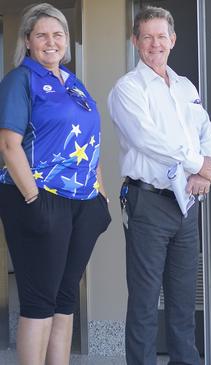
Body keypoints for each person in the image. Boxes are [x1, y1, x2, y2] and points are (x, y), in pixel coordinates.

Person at [107, 6, 211, 365]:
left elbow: (207, 133)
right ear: (135, 41)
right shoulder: (128, 89)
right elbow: (147, 139)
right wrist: (195, 163)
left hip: (186, 204)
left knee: (183, 300)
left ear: (172, 40)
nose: (155, 43)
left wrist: (207, 168)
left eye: (161, 36)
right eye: (147, 36)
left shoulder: (186, 86)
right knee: (143, 302)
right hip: (148, 203)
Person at [0, 3, 111, 364]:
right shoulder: (21, 79)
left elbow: (91, 141)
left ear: (67, 40)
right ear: (28, 41)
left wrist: (100, 195)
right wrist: (34, 198)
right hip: (38, 198)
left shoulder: (73, 83)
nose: (51, 41)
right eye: (42, 35)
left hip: (82, 203)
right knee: (39, 302)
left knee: (65, 300)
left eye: (58, 34)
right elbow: (8, 144)